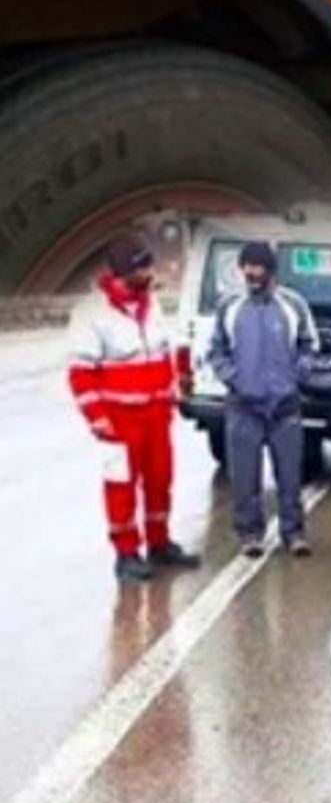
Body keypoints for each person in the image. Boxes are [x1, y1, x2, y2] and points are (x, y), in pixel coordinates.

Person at [67, 232, 202, 583]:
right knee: (121, 486)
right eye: (144, 267)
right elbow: (81, 374)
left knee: (160, 481)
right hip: (119, 420)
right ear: (125, 272)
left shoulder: (151, 304)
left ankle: (159, 543)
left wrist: (176, 385)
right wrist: (97, 418)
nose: (151, 273)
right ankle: (126, 553)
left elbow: (162, 351)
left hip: (156, 414)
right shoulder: (93, 313)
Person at [208, 241, 318, 558]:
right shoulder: (229, 305)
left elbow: (309, 345)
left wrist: (297, 377)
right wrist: (234, 378)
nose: (251, 273)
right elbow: (217, 351)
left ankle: (294, 534)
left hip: (286, 408)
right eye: (247, 267)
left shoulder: (293, 304)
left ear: (270, 270)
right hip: (243, 407)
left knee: (290, 476)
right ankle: (250, 535)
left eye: (258, 267)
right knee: (244, 477)